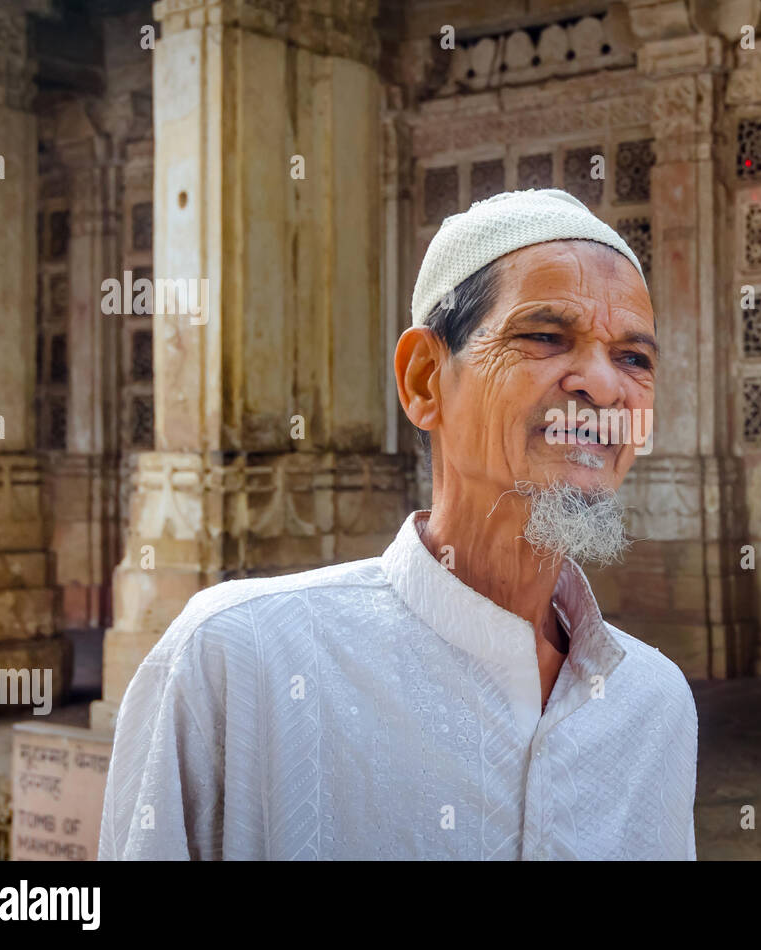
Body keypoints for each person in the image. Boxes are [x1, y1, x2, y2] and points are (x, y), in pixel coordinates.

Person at [98, 188, 698, 860]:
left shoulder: (652, 704)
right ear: (423, 381)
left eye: (633, 358)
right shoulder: (239, 660)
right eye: (546, 337)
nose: (603, 384)